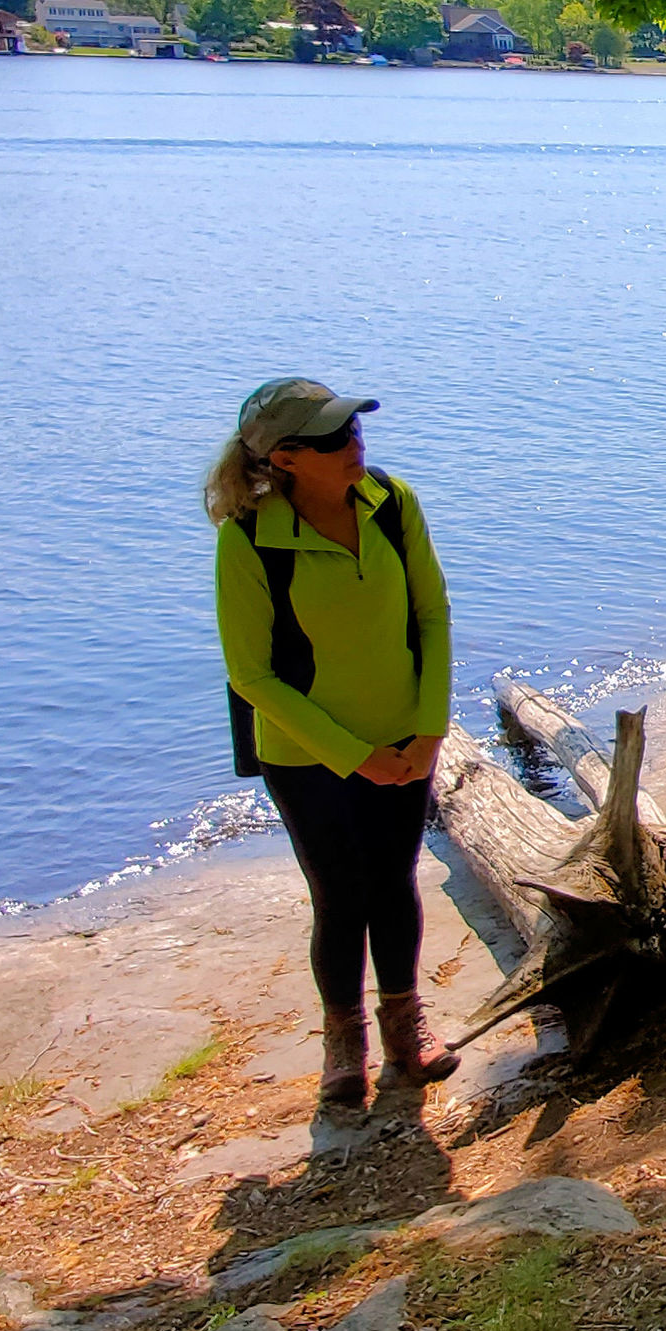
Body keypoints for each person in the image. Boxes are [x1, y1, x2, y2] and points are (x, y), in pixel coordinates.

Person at [209, 378, 462, 1111]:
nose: (354, 443)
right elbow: (251, 674)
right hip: (306, 756)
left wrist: (429, 731)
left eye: (353, 428)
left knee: (395, 880)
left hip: (405, 740)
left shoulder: (391, 502)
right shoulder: (249, 538)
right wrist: (357, 756)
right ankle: (343, 1038)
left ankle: (405, 1024)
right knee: (340, 894)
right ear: (284, 458)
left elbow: (433, 615)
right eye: (332, 438)